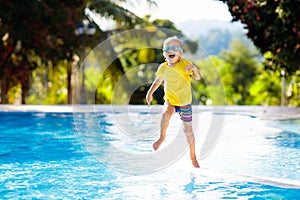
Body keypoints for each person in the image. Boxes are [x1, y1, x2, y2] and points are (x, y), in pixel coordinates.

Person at [146, 36, 201, 168]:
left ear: (180, 52)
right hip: (170, 101)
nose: (171, 51)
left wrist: (194, 69)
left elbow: (197, 77)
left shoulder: (185, 65)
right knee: (165, 115)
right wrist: (150, 92)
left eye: (175, 48)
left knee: (188, 131)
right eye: (168, 49)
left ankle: (193, 157)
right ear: (164, 53)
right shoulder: (163, 68)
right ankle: (161, 138)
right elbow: (158, 81)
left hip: (184, 103)